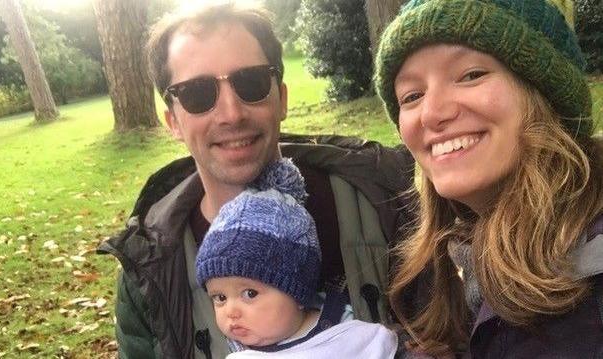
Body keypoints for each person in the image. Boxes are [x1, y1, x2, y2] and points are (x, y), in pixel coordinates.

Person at [97, 1, 418, 358]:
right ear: (172, 120)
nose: (231, 114)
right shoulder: (151, 272)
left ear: (280, 97)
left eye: (250, 83)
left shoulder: (390, 202)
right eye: (197, 94)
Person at [374, 0, 603, 357]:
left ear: (544, 93)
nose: (432, 113)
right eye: (412, 96)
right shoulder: (453, 258)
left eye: (471, 75)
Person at [195, 158, 398, 358]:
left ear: (297, 292)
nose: (231, 312)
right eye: (220, 298)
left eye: (250, 293)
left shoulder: (349, 334)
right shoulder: (240, 352)